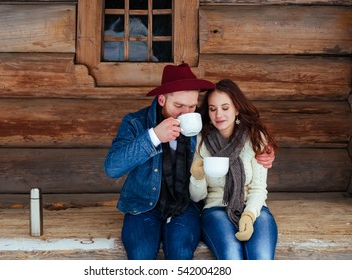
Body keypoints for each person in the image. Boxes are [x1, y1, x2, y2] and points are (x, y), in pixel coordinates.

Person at [104, 64, 275, 260]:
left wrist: (265, 153)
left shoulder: (202, 126)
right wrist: (153, 137)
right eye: (178, 106)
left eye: (192, 106)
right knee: (141, 255)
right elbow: (112, 168)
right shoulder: (136, 122)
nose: (186, 113)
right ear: (162, 99)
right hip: (142, 205)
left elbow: (237, 137)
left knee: (181, 253)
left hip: (185, 205)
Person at [189, 79, 278, 260]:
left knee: (261, 258)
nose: (218, 114)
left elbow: (259, 188)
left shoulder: (255, 138)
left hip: (255, 208)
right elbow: (197, 197)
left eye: (225, 107)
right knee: (231, 256)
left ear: (237, 108)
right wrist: (197, 177)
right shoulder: (202, 141)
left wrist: (249, 215)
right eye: (213, 109)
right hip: (215, 209)